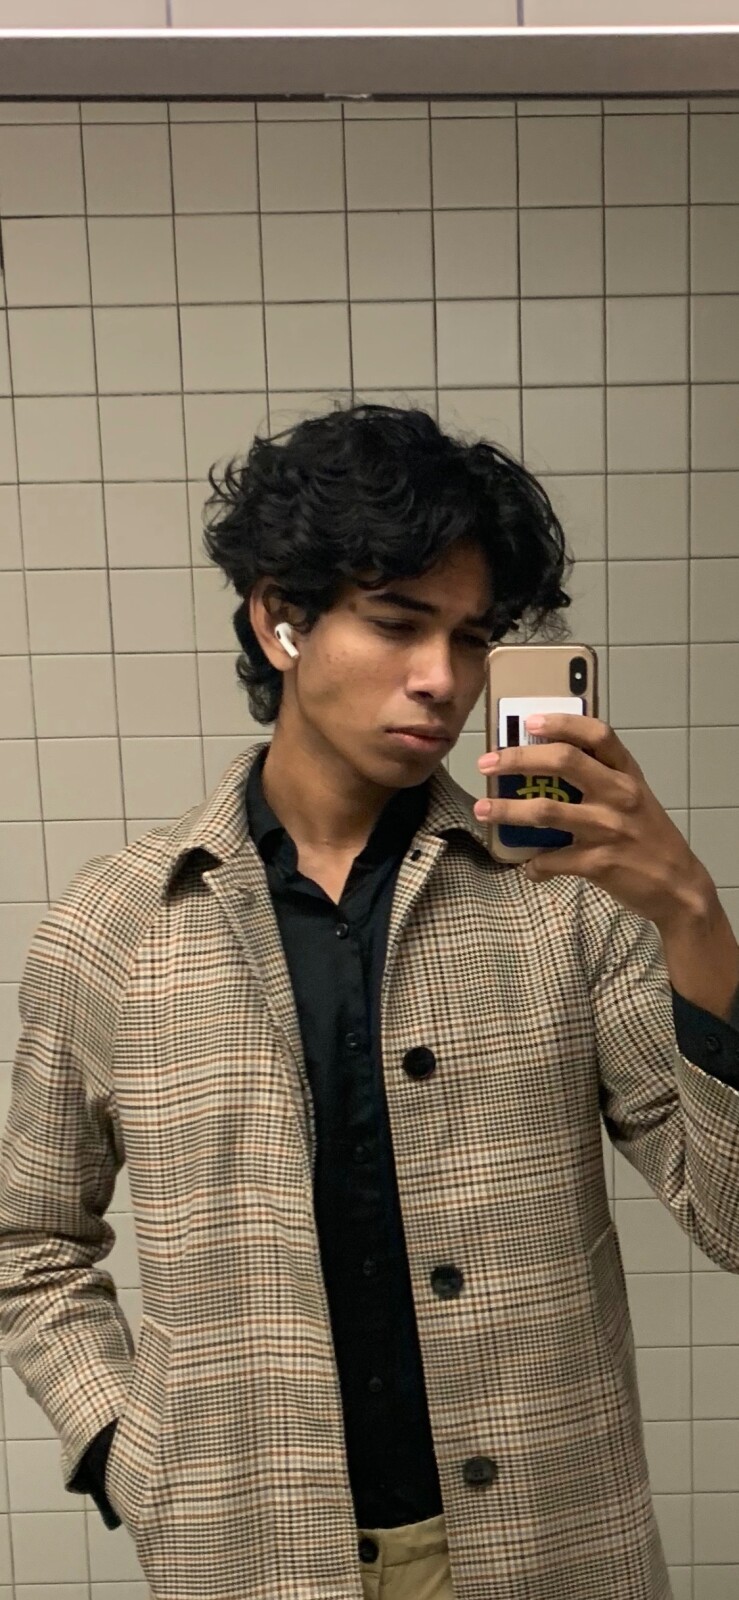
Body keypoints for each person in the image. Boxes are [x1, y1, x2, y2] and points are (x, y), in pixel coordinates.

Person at [1, 402, 738, 1600]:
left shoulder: (566, 903)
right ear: (279, 618)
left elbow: (733, 1219)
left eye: (472, 637)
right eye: (397, 622)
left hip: (549, 1551)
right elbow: (30, 1242)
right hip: (252, 1559)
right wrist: (127, 1450)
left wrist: (694, 917)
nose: (442, 679)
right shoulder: (117, 927)